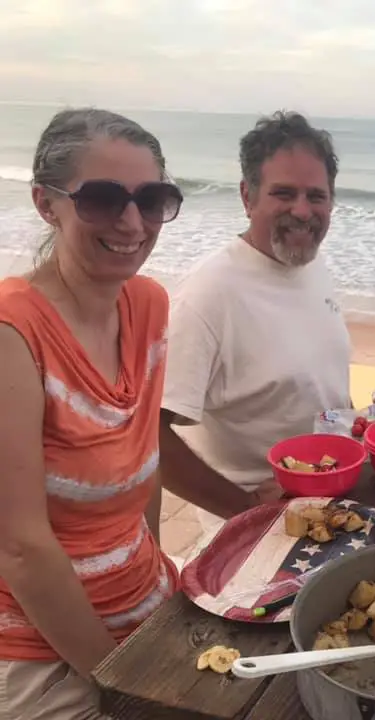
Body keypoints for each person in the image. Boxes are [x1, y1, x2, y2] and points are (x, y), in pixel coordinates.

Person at [0, 108, 183, 718]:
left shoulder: (149, 306)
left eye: (151, 199)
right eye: (103, 199)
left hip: (147, 599)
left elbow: (144, 467)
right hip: (41, 643)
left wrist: (160, 597)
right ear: (46, 204)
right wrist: (122, 684)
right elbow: (21, 549)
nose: (132, 223)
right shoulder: (13, 335)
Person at [159, 111, 351, 537]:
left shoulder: (312, 265)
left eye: (316, 196)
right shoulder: (207, 295)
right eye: (283, 193)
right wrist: (245, 509)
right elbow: (149, 437)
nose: (303, 211)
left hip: (336, 503)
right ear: (248, 197)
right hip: (261, 536)